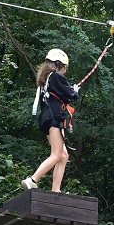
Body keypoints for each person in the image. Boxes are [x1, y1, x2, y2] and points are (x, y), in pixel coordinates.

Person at [21, 48, 78, 192]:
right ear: (60, 64)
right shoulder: (56, 77)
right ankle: (32, 179)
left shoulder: (46, 81)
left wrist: (70, 91)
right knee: (57, 154)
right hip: (54, 118)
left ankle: (56, 191)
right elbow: (71, 95)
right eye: (64, 67)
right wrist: (75, 90)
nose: (64, 71)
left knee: (64, 156)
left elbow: (60, 96)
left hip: (47, 119)